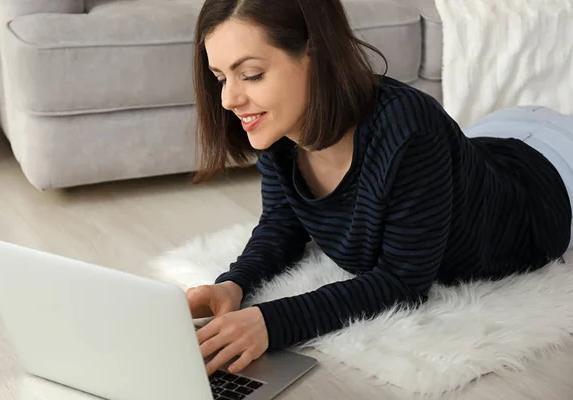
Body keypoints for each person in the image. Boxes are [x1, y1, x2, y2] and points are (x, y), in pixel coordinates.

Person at [185, 0, 573, 377]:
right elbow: (281, 225)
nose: (229, 99)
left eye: (250, 74)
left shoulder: (411, 130)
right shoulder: (279, 129)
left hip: (551, 171)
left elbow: (403, 281)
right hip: (490, 142)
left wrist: (271, 322)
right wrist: (235, 284)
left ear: (314, 54)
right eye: (220, 77)